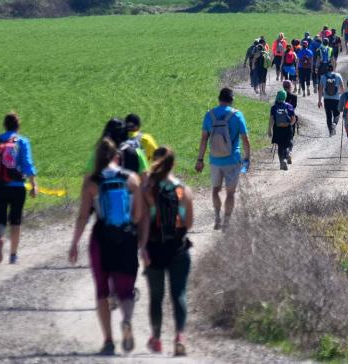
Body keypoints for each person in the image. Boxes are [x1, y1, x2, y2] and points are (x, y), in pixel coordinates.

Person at [69, 138, 148, 355]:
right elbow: (138, 215)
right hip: (126, 239)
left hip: (101, 238)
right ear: (117, 157)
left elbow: (83, 216)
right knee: (126, 290)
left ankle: (108, 341)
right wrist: (140, 243)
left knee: (102, 291)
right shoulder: (131, 179)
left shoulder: (92, 182)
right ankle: (127, 321)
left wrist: (74, 243)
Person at [143, 147, 194, 357]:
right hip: (178, 249)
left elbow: (142, 221)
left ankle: (156, 339)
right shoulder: (183, 190)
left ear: (153, 163)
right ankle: (180, 336)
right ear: (173, 164)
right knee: (179, 294)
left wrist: (142, 248)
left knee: (156, 296)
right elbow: (189, 224)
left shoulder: (148, 190)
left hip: (155, 249)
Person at [0, 112, 38, 265]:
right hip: (17, 187)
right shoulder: (22, 142)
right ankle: (13, 255)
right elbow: (27, 164)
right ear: (18, 126)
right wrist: (34, 185)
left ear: (4, 125)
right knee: (16, 220)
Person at [197, 88, 251, 230]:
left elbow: (203, 139)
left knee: (215, 190)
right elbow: (245, 139)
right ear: (232, 100)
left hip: (215, 160)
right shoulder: (237, 115)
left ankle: (217, 218)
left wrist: (200, 160)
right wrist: (247, 158)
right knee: (230, 192)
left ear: (219, 98)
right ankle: (226, 221)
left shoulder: (209, 115)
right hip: (233, 159)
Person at [269, 91, 297, 170]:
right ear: (284, 97)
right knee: (288, 144)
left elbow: (271, 119)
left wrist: (269, 129)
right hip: (287, 128)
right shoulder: (289, 106)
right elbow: (293, 119)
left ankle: (282, 161)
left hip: (277, 129)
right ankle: (287, 155)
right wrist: (290, 125)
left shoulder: (274, 107)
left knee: (280, 146)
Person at [317, 63, 344, 136]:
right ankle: (334, 123)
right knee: (337, 114)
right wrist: (342, 98)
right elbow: (342, 87)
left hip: (327, 99)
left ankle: (330, 132)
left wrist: (319, 101)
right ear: (333, 68)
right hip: (336, 99)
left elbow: (320, 90)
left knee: (328, 116)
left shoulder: (323, 77)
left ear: (327, 69)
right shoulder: (338, 76)